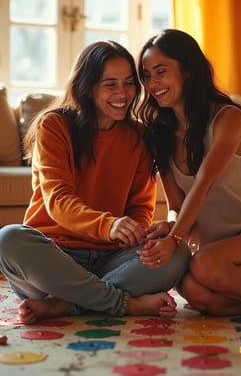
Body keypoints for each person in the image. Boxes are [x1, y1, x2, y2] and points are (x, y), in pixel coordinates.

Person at [0, 40, 191, 325]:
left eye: (129, 83)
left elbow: (139, 207)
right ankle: (122, 303)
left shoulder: (139, 137)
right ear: (87, 88)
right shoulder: (53, 126)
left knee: (177, 253)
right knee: (9, 239)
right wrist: (109, 225)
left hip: (110, 259)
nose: (123, 94)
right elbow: (58, 201)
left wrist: (143, 236)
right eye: (110, 84)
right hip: (55, 258)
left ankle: (65, 305)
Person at [136, 28, 241, 316]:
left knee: (203, 266)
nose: (152, 83)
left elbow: (204, 183)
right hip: (218, 255)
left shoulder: (228, 117)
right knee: (194, 291)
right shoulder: (161, 136)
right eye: (147, 76)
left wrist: (175, 240)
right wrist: (169, 226)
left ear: (187, 70)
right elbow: (176, 206)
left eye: (161, 72)